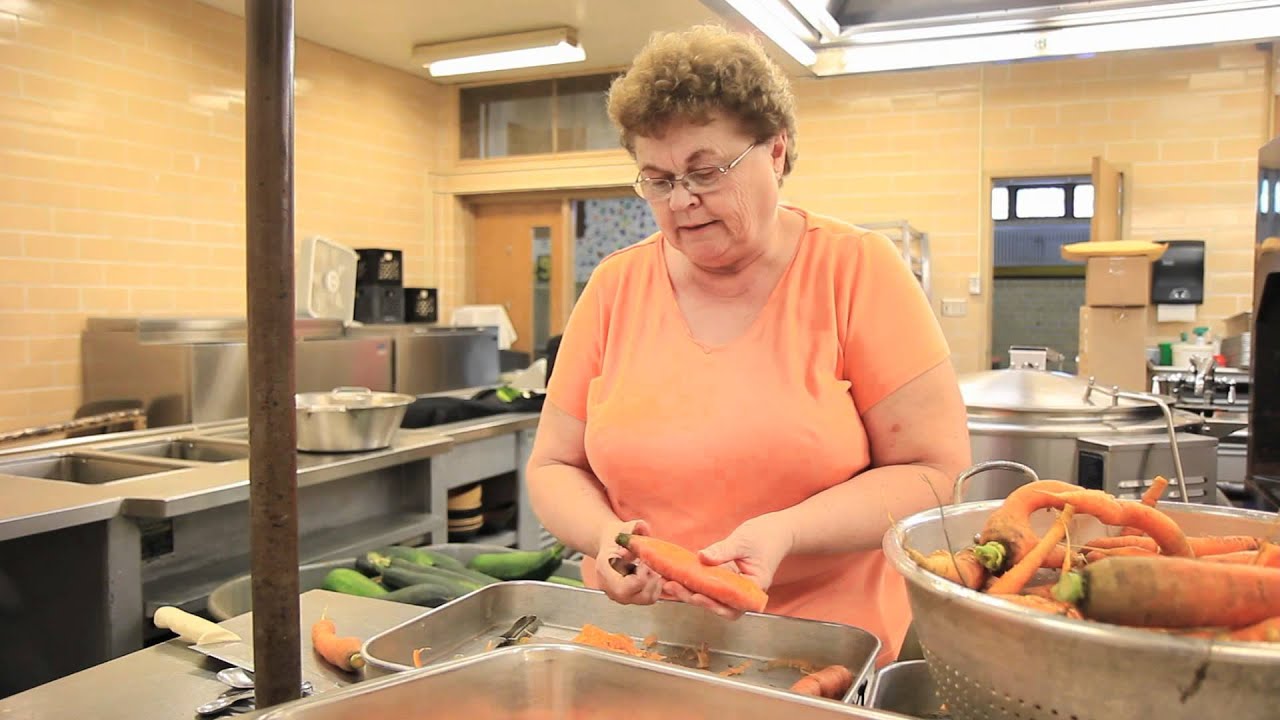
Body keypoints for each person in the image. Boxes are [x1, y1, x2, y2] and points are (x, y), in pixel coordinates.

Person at [525, 24, 971, 666]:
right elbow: (554, 466)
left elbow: (934, 475)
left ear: (777, 152)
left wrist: (786, 532)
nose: (682, 201)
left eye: (705, 171)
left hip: (819, 650)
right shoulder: (616, 285)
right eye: (656, 179)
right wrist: (606, 537)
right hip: (639, 643)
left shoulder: (856, 271)